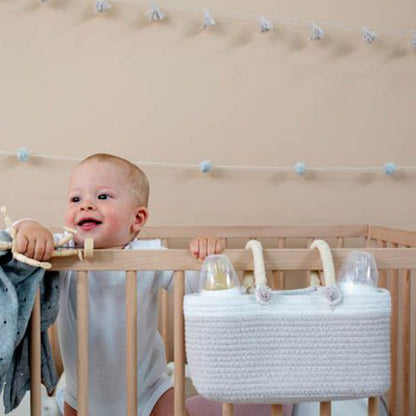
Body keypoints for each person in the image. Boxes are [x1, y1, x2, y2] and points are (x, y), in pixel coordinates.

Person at [11, 153, 224, 416]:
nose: (85, 205)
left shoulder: (150, 255)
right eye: (76, 199)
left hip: (150, 390)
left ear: (137, 219)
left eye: (102, 197)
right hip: (82, 395)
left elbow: (196, 289)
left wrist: (206, 257)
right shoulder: (61, 251)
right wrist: (30, 227)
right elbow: (15, 240)